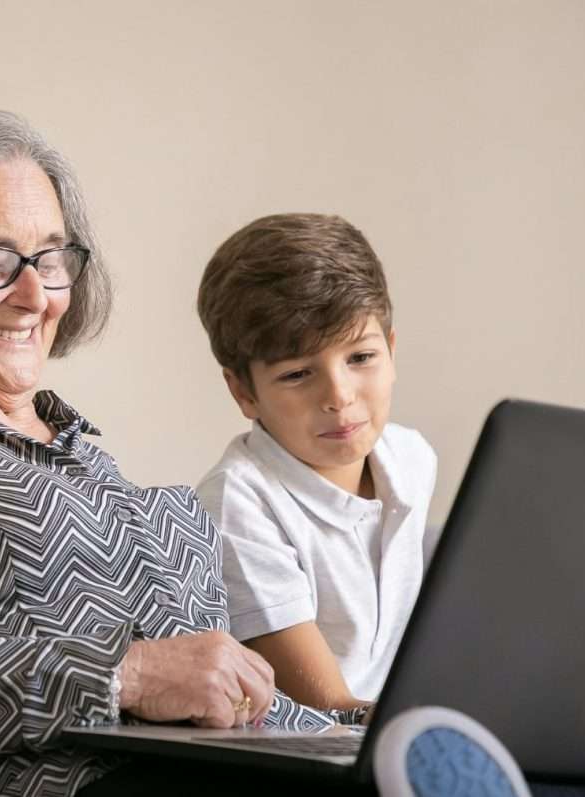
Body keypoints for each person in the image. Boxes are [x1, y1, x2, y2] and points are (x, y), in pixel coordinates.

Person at [0, 109, 354, 797]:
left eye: (51, 259)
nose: (34, 295)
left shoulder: (90, 462)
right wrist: (122, 674)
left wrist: (351, 730)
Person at [194, 213, 438, 716]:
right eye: (298, 373)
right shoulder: (237, 502)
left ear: (391, 352)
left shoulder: (411, 457)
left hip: (394, 722)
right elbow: (329, 706)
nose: (339, 396)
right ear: (243, 392)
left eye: (361, 358)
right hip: (316, 749)